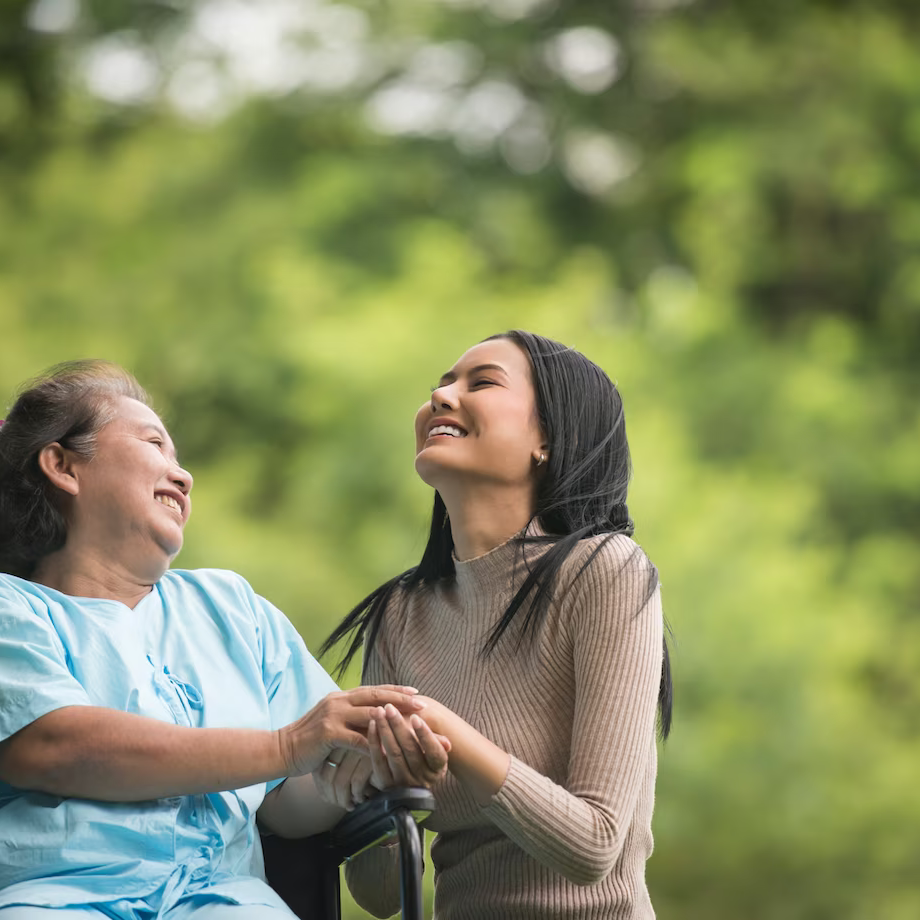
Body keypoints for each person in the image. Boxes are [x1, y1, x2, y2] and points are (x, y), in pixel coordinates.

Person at [0, 360, 428, 920]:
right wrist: (287, 745)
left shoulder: (232, 609)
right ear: (62, 465)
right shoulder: (13, 606)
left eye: (180, 458)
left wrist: (360, 769)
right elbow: (53, 746)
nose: (183, 476)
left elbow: (286, 806)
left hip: (224, 900)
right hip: (60, 897)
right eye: (154, 444)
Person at [319, 330, 673, 919]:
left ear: (548, 439)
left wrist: (445, 733)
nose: (441, 394)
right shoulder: (401, 613)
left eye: (480, 382)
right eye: (441, 382)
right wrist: (379, 788)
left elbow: (594, 845)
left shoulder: (606, 571)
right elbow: (380, 898)